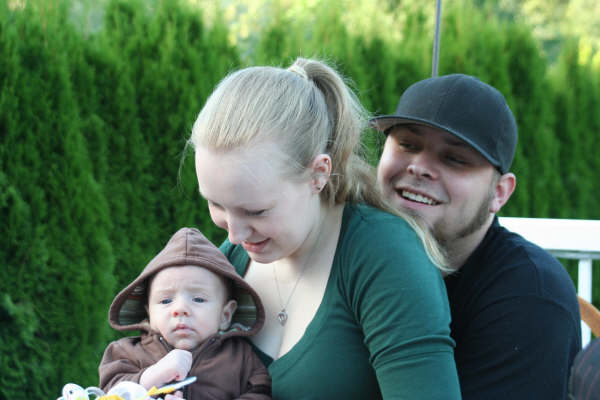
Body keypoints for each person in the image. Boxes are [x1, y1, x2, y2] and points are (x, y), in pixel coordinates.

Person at [187, 58, 461, 399]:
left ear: (318, 174)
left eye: (256, 211)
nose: (234, 235)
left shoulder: (385, 257)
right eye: (216, 205)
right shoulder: (229, 263)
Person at [370, 73, 581, 399]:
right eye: (408, 145)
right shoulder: (346, 252)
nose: (420, 166)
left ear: (500, 193)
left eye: (455, 159)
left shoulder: (533, 298)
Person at [98, 227, 271, 399]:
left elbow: (260, 394)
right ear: (149, 313)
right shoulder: (125, 353)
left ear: (225, 315)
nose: (180, 309)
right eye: (166, 301)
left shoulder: (240, 358)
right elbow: (108, 393)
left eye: (198, 299)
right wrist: (148, 378)